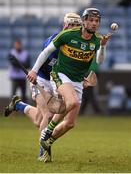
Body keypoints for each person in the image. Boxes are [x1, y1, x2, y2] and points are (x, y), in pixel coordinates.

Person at [27, 8, 112, 162]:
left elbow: (99, 61)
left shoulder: (96, 40)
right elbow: (46, 52)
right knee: (71, 102)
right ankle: (47, 132)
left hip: (78, 80)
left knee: (70, 123)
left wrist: (103, 46)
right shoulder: (67, 35)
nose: (94, 23)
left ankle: (47, 142)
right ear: (84, 21)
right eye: (91, 20)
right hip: (60, 74)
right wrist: (33, 71)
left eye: (97, 21)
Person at [4, 13, 82, 162]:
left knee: (38, 121)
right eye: (71, 25)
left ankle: (18, 105)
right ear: (65, 26)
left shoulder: (76, 45)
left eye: (77, 26)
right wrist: (33, 72)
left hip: (56, 80)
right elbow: (43, 55)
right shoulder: (55, 41)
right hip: (41, 79)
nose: (74, 28)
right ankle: (43, 152)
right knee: (48, 114)